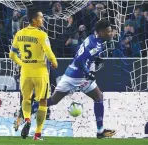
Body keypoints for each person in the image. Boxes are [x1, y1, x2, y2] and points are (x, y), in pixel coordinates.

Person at [30, 19, 116, 139]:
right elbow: (81, 60)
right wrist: (88, 73)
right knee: (98, 97)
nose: (111, 34)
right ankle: (100, 131)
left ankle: (30, 109)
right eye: (109, 32)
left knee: (54, 101)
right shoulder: (95, 45)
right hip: (79, 76)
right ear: (101, 32)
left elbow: (80, 54)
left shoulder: (92, 37)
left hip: (71, 73)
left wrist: (94, 60)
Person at [9, 8, 58, 140]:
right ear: (34, 20)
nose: (43, 20)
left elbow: (12, 55)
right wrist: (54, 62)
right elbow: (48, 52)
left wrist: (22, 63)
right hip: (40, 71)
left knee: (26, 99)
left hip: (25, 72)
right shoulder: (42, 35)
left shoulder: (19, 34)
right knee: (43, 102)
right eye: (41, 17)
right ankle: (37, 134)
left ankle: (27, 119)